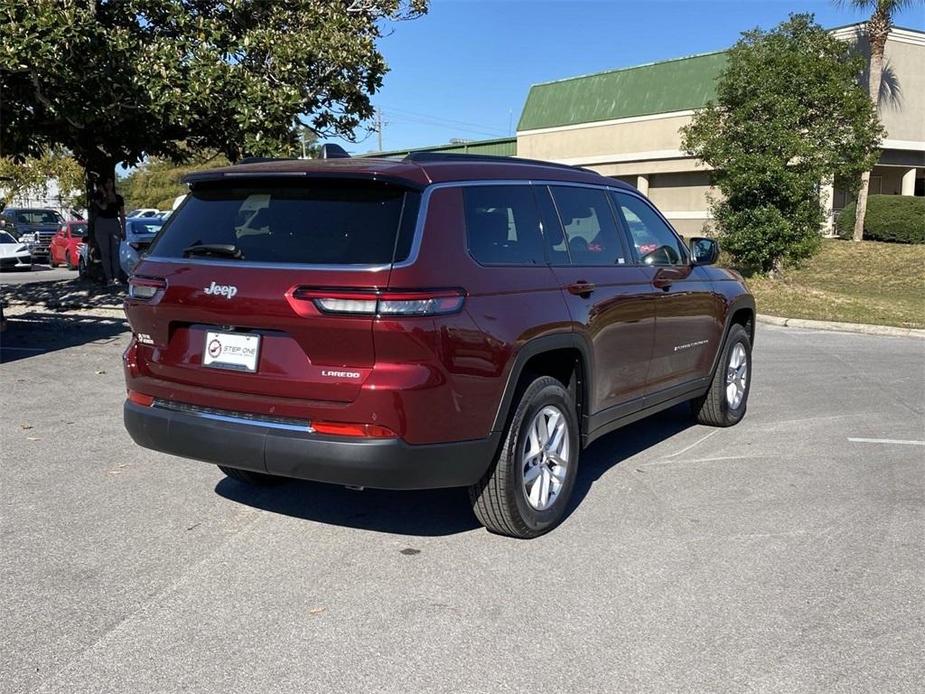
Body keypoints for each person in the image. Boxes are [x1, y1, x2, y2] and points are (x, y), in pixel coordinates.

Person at [92, 177, 126, 285]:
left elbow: (122, 214)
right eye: (107, 182)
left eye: (110, 182)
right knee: (105, 252)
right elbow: (104, 207)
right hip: (102, 224)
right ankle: (109, 278)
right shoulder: (98, 196)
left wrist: (123, 229)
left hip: (114, 223)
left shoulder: (119, 198)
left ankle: (116, 277)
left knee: (115, 252)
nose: (109, 184)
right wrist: (104, 195)